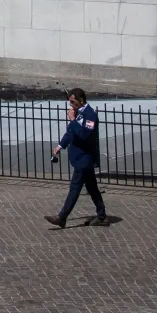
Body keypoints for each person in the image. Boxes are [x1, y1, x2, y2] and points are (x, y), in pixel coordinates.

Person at [46, 87, 108, 229]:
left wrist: (73, 120)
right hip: (79, 157)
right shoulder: (79, 113)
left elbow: (84, 135)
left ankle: (61, 218)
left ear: (81, 100)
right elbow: (71, 132)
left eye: (73, 102)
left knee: (75, 188)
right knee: (92, 188)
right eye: (70, 102)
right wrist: (60, 146)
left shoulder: (90, 115)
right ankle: (101, 215)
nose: (70, 105)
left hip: (84, 158)